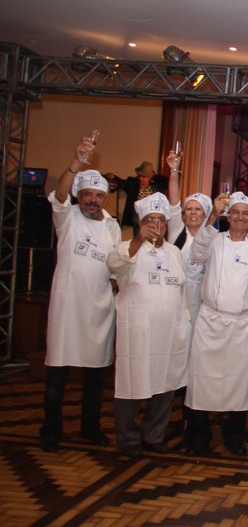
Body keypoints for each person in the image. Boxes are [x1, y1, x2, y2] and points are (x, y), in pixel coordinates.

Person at [40, 138, 121, 452]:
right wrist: (76, 162)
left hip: (99, 309)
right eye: (87, 194)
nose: (93, 200)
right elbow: (59, 194)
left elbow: (116, 266)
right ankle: (51, 429)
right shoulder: (67, 216)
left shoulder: (112, 226)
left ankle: (91, 427)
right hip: (67, 307)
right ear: (79, 195)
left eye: (99, 196)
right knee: (57, 373)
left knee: (96, 376)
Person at [184, 191, 248, 457]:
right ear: (228, 216)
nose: (240, 217)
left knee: (238, 384)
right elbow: (197, 253)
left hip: (242, 325)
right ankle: (198, 436)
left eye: (246, 214)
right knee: (201, 381)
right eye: (236, 212)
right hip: (210, 321)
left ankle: (234, 437)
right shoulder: (214, 240)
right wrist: (211, 219)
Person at [107, 192, 191, 458]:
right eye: (149, 220)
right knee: (132, 384)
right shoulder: (128, 248)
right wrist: (138, 240)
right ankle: (127, 436)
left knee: (166, 384)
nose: (156, 225)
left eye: (160, 220)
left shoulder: (174, 252)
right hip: (139, 333)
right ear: (140, 223)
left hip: (170, 332)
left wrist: (185, 323)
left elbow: (182, 291)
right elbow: (114, 264)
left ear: (167, 224)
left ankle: (154, 434)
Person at [165, 151, 212, 324]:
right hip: (175, 294)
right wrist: (174, 170)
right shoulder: (177, 231)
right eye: (189, 209)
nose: (192, 212)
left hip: (201, 299)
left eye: (197, 209)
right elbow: (174, 201)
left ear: (206, 214)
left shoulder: (212, 238)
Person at [106, 161, 168, 231]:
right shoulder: (133, 184)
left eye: (144, 176)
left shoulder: (156, 187)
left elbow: (167, 182)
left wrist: (153, 175)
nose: (141, 178)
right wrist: (113, 177)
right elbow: (121, 183)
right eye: (140, 176)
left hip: (151, 222)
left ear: (149, 178)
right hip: (135, 222)